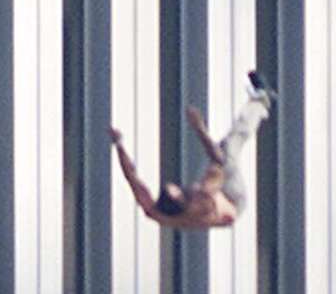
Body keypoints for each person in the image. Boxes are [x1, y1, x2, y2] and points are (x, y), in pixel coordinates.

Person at [109, 70, 275, 230]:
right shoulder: (203, 201)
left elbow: (133, 180)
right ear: (181, 199)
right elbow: (218, 161)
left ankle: (257, 105)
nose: (179, 185)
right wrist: (199, 128)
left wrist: (119, 146)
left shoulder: (156, 212)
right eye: (178, 189)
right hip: (233, 199)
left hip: (216, 199)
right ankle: (261, 101)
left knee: (224, 147)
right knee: (230, 147)